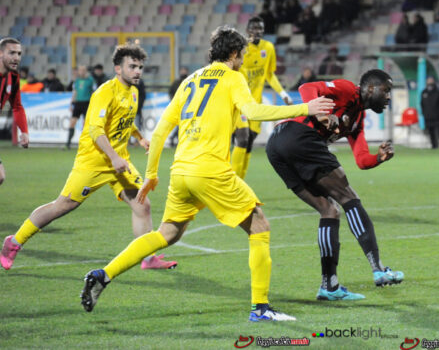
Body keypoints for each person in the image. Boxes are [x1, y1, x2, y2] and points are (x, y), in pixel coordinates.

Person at [78, 26, 334, 321]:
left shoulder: (190, 80)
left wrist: (151, 174)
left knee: (167, 233)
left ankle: (104, 274)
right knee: (259, 226)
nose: (242, 63)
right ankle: (261, 308)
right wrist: (305, 108)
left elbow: (160, 131)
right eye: (242, 56)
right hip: (210, 171)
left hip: (181, 172)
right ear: (235, 54)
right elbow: (252, 112)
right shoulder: (233, 77)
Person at [1, 44, 177, 271]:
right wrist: (113, 158)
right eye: (132, 66)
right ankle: (14, 242)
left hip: (119, 161)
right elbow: (96, 130)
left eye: (140, 67)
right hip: (94, 161)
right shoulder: (104, 92)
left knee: (142, 205)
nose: (137, 72)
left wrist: (140, 137)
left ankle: (147, 257)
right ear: (117, 68)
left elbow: (124, 119)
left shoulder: (133, 91)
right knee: (62, 206)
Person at [265, 69, 403, 302]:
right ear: (370, 88)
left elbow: (361, 160)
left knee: (329, 210)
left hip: (277, 147)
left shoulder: (357, 120)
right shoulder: (347, 90)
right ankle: (378, 268)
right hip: (297, 134)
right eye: (386, 91)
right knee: (349, 197)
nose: (389, 97)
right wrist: (318, 114)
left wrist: (378, 158)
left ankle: (329, 286)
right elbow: (306, 88)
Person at [231, 17, 292, 179]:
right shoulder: (241, 48)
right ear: (248, 30)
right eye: (254, 29)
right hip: (240, 102)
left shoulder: (268, 48)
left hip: (256, 104)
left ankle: (240, 183)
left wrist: (283, 94)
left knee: (249, 143)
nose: (257, 32)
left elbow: (269, 75)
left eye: (260, 29)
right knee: (242, 140)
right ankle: (231, 181)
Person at [0, 38, 30, 185]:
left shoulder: (13, 77)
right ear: (0, 53)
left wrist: (24, 131)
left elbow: (17, 106)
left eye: (19, 53)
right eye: (11, 53)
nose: (16, 58)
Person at [66, 65, 95, 150]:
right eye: (80, 70)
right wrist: (71, 103)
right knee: (72, 123)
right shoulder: (77, 81)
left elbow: (94, 92)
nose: (81, 72)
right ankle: (68, 144)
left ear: (86, 71)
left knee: (85, 124)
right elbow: (74, 92)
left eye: (83, 70)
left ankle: (85, 144)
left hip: (87, 103)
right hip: (77, 103)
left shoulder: (91, 80)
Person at [420, 76, 439, 149]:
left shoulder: (438, 92)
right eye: (428, 80)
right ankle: (434, 146)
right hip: (428, 116)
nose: (430, 82)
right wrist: (424, 113)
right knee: (431, 132)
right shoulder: (424, 92)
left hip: (438, 117)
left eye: (431, 80)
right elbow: (422, 104)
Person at [167, 66, 189, 147]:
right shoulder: (176, 82)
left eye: (184, 70)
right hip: (177, 106)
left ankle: (174, 138)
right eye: (182, 70)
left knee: (182, 123)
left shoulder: (189, 80)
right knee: (179, 123)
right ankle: (173, 138)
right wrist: (173, 101)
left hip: (187, 106)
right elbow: (170, 92)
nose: (183, 72)